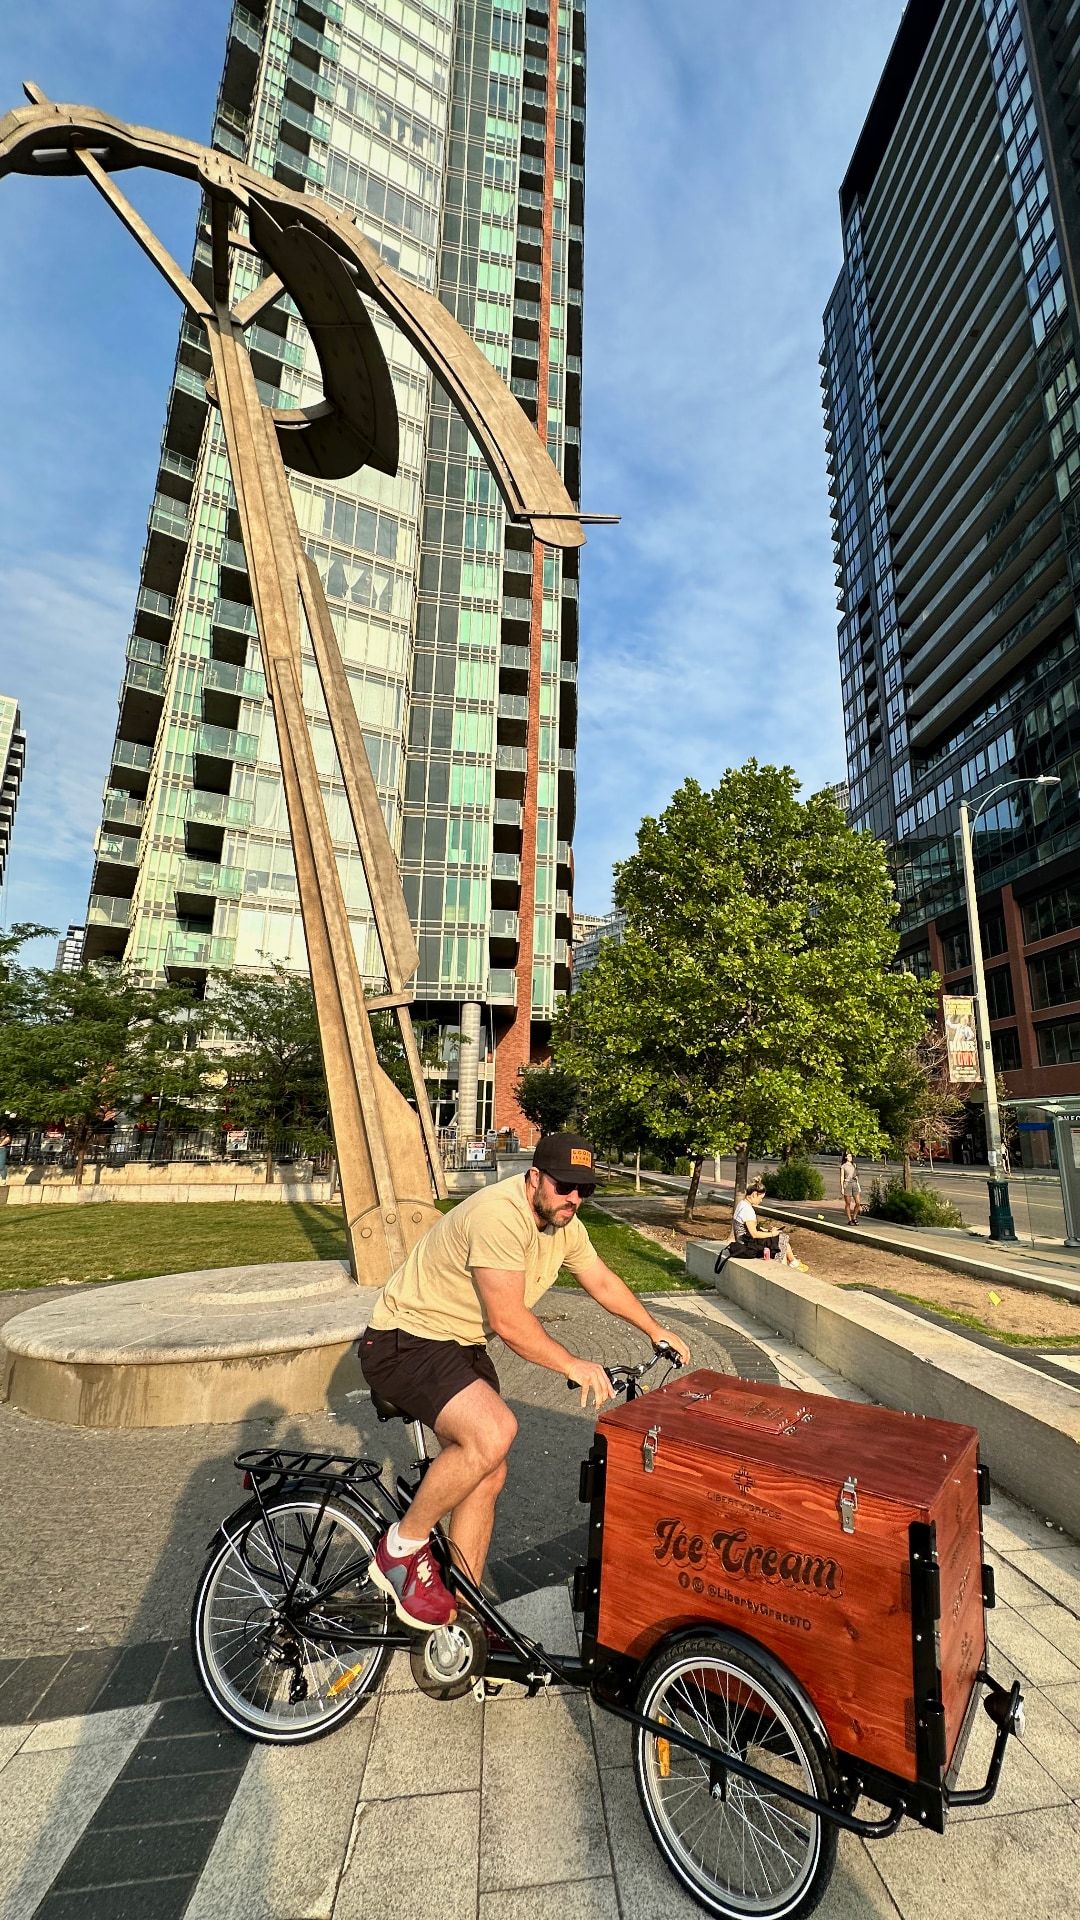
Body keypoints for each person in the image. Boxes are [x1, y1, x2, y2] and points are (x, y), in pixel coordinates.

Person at [358, 1132, 692, 1630]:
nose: (574, 1199)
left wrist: (654, 1329)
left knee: (487, 1470)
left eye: (585, 1190)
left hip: (457, 1345)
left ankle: (462, 1611)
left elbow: (599, 1278)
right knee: (493, 1432)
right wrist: (572, 1363)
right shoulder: (500, 1215)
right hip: (405, 1339)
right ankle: (399, 1549)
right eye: (564, 1187)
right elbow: (510, 1321)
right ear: (534, 1177)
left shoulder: (564, 1224)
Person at [729, 1180, 807, 1270]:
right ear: (754, 1194)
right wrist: (771, 1234)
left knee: (780, 1237)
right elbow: (754, 1234)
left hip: (744, 1239)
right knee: (780, 1239)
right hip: (747, 1244)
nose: (761, 1200)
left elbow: (749, 1228)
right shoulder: (747, 1210)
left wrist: (767, 1231)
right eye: (761, 1197)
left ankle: (793, 1262)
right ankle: (786, 1265)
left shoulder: (742, 1204)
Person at [839, 1150, 861, 1225]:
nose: (850, 1157)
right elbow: (842, 1177)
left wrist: (857, 1179)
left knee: (858, 1202)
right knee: (848, 1203)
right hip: (847, 1184)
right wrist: (842, 1187)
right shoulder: (843, 1166)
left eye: (851, 1156)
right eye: (849, 1156)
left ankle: (854, 1217)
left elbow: (857, 1174)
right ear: (845, 1157)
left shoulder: (854, 1165)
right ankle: (849, 1219)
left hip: (854, 1183)